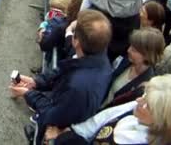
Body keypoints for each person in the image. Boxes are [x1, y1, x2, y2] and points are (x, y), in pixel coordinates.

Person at [10, 10, 113, 145]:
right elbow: (67, 68)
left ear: (76, 42)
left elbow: (52, 115)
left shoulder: (78, 88)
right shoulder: (98, 57)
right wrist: (36, 82)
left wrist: (28, 94)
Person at [48, 74, 171, 145]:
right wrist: (67, 134)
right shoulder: (135, 111)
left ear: (161, 119)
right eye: (144, 95)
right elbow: (101, 120)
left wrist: (65, 139)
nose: (138, 101)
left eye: (146, 103)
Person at [102, 28, 165, 109]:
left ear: (147, 55)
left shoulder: (145, 86)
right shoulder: (126, 60)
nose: (128, 50)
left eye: (134, 50)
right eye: (130, 46)